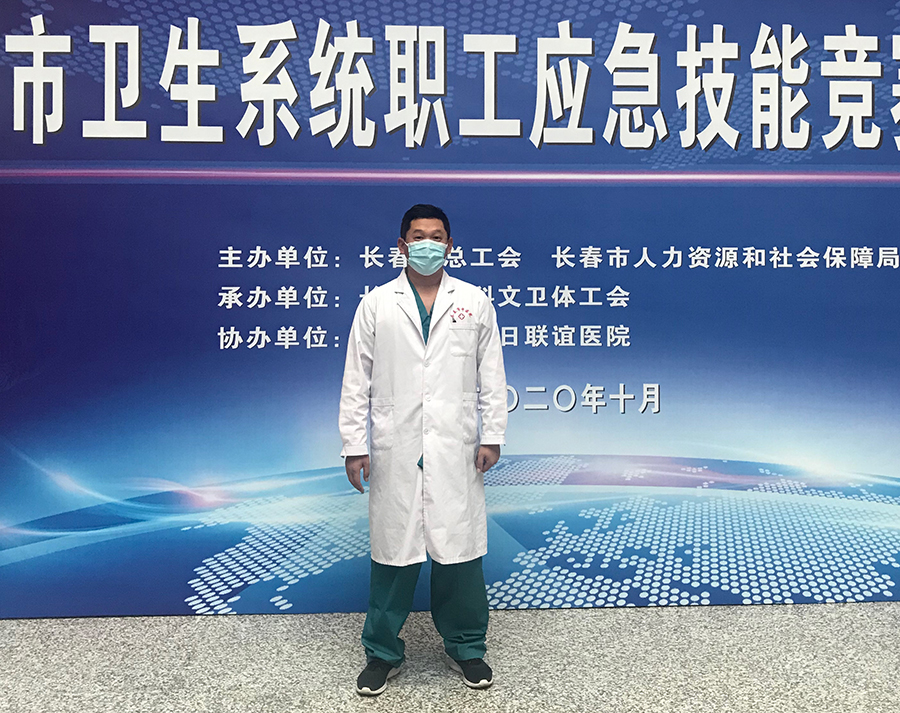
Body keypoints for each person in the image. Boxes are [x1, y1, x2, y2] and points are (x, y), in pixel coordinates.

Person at [339, 204, 508, 696]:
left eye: (437, 236)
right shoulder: (377, 304)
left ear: (450, 245)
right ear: (402, 245)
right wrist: (354, 445)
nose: (428, 244)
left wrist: (492, 434)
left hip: (455, 444)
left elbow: (491, 373)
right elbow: (357, 380)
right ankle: (382, 652)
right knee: (394, 553)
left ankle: (467, 647)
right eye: (418, 236)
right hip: (397, 445)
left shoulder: (473, 301)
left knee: (459, 553)